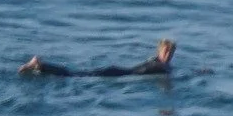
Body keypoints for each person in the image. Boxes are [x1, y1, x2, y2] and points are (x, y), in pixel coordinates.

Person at [21, 38, 176, 78]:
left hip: (117, 72)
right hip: (116, 74)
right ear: (159, 51)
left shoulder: (157, 63)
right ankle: (40, 65)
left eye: (170, 53)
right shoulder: (161, 66)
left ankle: (41, 66)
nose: (168, 55)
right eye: (165, 52)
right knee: (75, 75)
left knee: (77, 74)